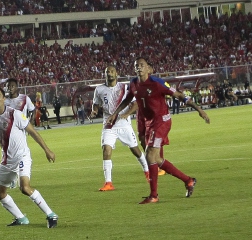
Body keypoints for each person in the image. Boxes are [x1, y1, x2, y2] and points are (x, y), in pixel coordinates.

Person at [108, 58, 210, 204]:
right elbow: (126, 100)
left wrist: (199, 109)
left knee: (150, 155)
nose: (139, 68)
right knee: (156, 159)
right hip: (149, 122)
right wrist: (115, 114)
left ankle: (154, 195)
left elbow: (179, 95)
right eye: (137, 66)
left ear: (148, 68)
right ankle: (188, 180)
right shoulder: (133, 83)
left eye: (142, 65)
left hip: (161, 121)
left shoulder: (157, 83)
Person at [0, 85, 59, 228]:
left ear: (3, 98)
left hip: (22, 156)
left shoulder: (15, 114)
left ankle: (51, 215)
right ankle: (21, 218)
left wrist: (47, 150)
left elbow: (33, 132)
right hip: (7, 160)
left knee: (25, 187)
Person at [90, 65, 149, 191]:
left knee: (135, 150)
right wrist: (94, 112)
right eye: (107, 72)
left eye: (112, 71)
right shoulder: (99, 90)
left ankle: (147, 171)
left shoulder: (125, 87)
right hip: (109, 124)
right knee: (106, 149)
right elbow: (96, 104)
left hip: (123, 124)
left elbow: (135, 104)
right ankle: (108, 182)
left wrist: (127, 114)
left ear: (117, 73)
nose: (109, 73)